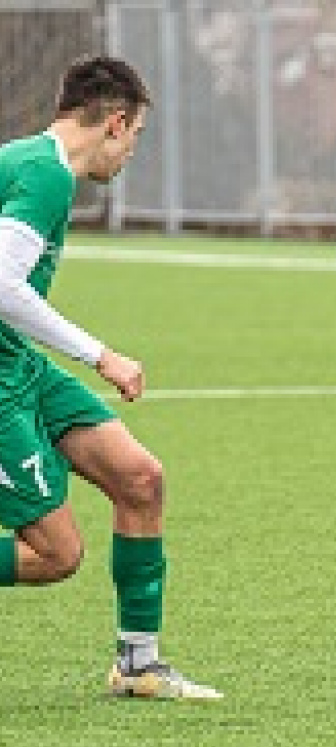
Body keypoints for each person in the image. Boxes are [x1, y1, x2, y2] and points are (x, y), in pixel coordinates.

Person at [0, 54, 221, 698]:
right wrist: (102, 355)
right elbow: (3, 287)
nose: (130, 156)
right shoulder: (46, 175)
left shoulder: (29, 162)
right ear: (115, 123)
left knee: (140, 478)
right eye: (136, 138)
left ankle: (138, 666)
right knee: (56, 554)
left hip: (17, 361)